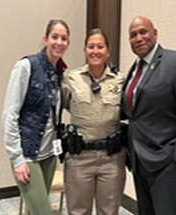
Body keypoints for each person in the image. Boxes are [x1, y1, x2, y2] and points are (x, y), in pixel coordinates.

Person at [122, 16, 176, 215]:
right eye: (133, 35)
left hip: (165, 160)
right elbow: (133, 113)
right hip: (138, 159)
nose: (138, 38)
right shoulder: (135, 69)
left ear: (155, 33)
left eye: (143, 32)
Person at [2, 19, 70, 215]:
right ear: (45, 39)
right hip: (28, 155)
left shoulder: (58, 74)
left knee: (34, 211)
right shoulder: (26, 66)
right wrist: (17, 158)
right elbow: (10, 115)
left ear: (68, 43)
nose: (59, 42)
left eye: (64, 38)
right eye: (54, 37)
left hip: (49, 155)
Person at [62, 28, 126, 215]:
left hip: (112, 159)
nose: (95, 51)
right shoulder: (71, 79)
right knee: (78, 211)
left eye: (100, 46)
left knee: (109, 211)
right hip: (79, 158)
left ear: (108, 51)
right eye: (91, 46)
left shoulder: (120, 81)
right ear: (84, 51)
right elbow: (62, 106)